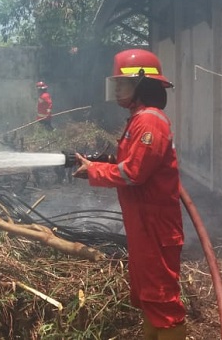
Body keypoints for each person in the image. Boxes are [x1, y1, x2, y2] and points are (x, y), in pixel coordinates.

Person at [72, 49, 186, 340]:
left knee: (162, 299)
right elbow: (130, 163)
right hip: (144, 225)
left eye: (122, 82)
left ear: (141, 84)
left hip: (155, 227)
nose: (117, 88)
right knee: (148, 297)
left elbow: (134, 173)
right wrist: (100, 162)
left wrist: (95, 171)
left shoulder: (150, 122)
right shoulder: (138, 120)